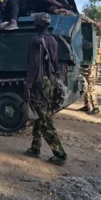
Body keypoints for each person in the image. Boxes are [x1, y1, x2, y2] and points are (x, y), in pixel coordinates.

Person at [24, 13, 66, 164]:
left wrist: (28, 84)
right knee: (41, 113)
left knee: (44, 118)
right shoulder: (53, 40)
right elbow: (55, 63)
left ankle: (60, 154)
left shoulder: (35, 40)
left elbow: (34, 64)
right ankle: (35, 147)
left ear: (37, 24)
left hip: (39, 82)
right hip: (49, 81)